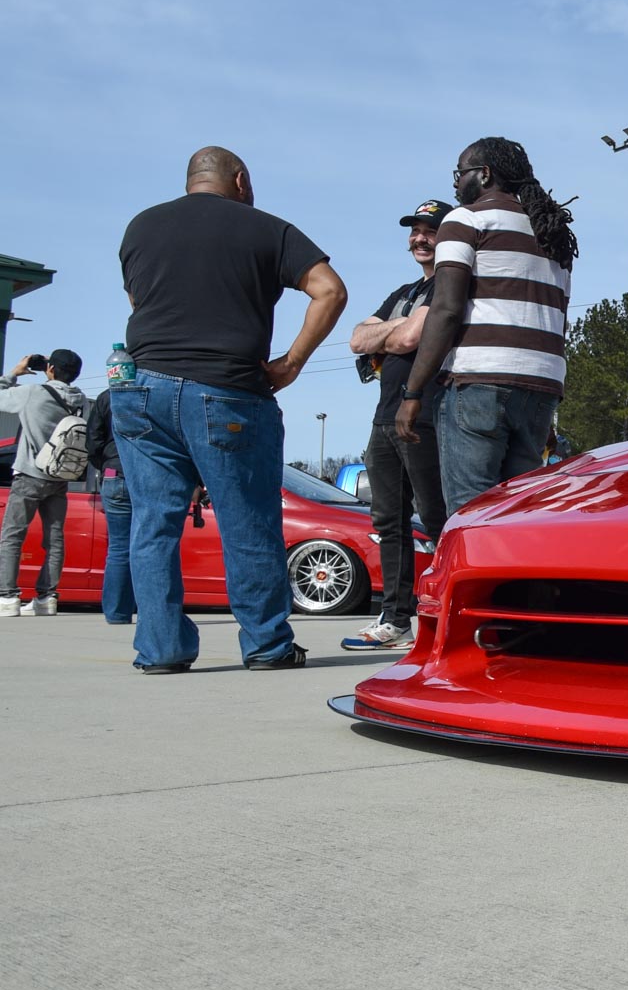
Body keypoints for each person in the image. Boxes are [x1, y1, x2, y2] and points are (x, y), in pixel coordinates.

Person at [115, 146, 347, 673]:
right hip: (227, 391)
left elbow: (138, 303)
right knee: (248, 522)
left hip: (141, 390)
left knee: (153, 525)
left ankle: (161, 649)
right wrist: (291, 363)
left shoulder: (140, 228)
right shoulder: (266, 228)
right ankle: (266, 644)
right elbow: (330, 291)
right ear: (239, 180)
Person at [395, 138, 577, 515]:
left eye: (460, 174)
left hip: (478, 382)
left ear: (484, 174)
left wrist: (412, 390)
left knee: (470, 513)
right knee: (516, 515)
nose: (456, 184)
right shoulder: (552, 233)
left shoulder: (466, 220)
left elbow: (445, 310)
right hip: (541, 387)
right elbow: (559, 319)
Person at [341, 200, 454, 651]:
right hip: (383, 418)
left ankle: (446, 613)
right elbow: (355, 338)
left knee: (437, 518)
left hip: (423, 415)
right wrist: (394, 330)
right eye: (415, 231)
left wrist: (388, 335)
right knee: (389, 521)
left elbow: (409, 338)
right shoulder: (405, 292)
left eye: (430, 230)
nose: (420, 238)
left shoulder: (450, 285)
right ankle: (394, 619)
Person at [0, 350, 87, 617]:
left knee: (12, 536)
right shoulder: (79, 398)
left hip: (29, 474)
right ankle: (47, 598)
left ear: (49, 369)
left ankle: (7, 598)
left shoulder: (34, 392)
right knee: (54, 538)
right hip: (59, 477)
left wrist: (14, 373)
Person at [86, 387, 134, 624]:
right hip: (150, 475)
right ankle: (154, 613)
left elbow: (93, 443)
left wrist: (105, 465)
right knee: (155, 544)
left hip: (115, 473)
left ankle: (117, 614)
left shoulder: (108, 396)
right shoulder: (156, 389)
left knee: (119, 548)